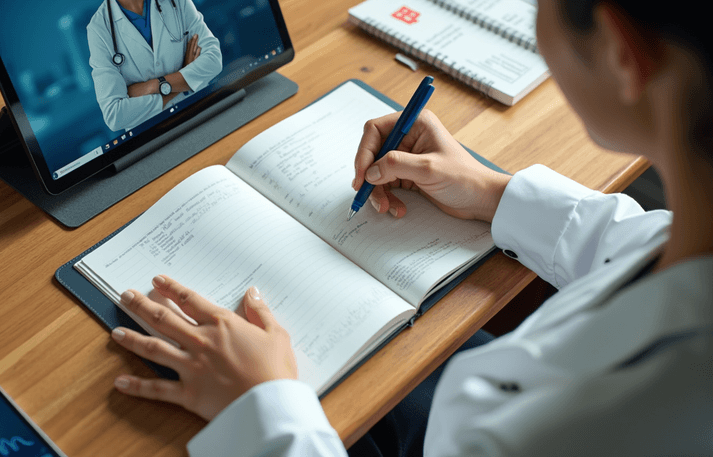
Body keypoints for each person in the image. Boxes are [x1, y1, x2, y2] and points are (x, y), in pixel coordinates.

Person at [105, 0, 713, 454]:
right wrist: (493, 194)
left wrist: (263, 412)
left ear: (620, 51)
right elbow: (645, 242)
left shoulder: (598, 422)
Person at [87, 0, 222, 132]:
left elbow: (213, 60)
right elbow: (115, 115)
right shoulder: (99, 29)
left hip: (204, 114)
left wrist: (151, 86)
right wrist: (183, 77)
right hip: (154, 138)